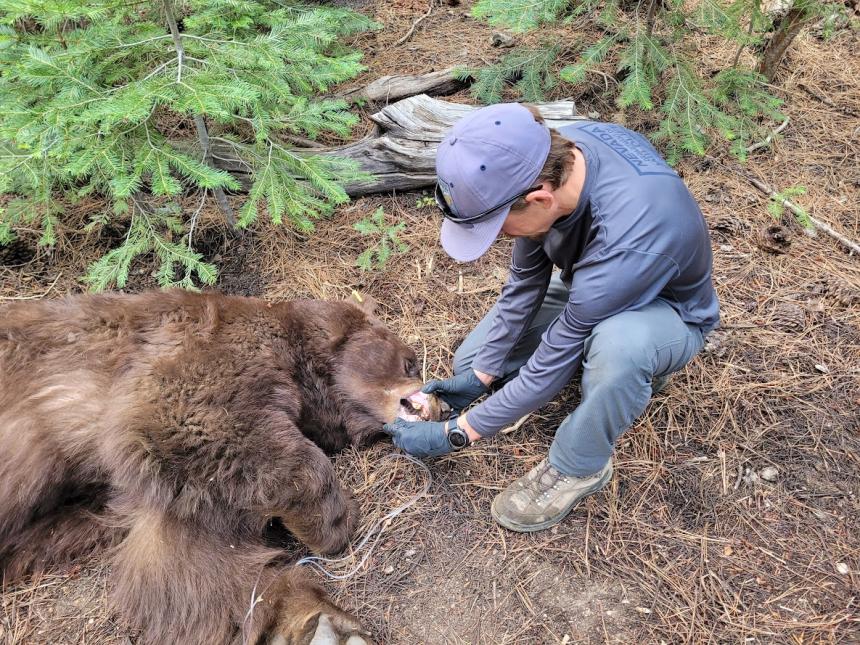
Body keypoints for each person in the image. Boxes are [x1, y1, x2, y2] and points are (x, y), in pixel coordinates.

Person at [383, 103, 719, 533]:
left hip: (666, 311)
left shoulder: (632, 233)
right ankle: (572, 373)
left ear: (540, 198)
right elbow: (525, 282)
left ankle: (579, 465)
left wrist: (458, 433)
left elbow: (555, 357)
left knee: (619, 349)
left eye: (499, 228)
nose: (497, 240)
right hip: (593, 285)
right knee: (473, 360)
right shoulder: (548, 154)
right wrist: (483, 376)